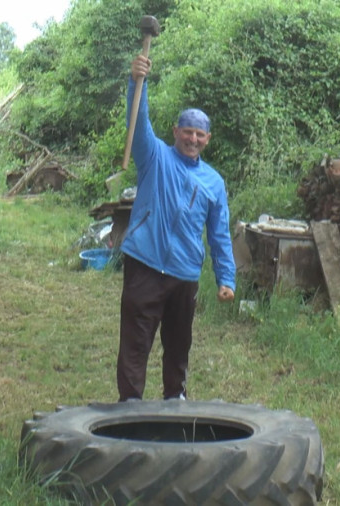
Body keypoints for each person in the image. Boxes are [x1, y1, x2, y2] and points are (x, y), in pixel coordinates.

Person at [117, 53, 236, 402]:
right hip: (145, 265)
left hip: (185, 274)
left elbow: (219, 234)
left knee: (178, 344)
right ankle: (130, 406)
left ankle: (175, 403)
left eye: (200, 134)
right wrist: (137, 81)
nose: (193, 139)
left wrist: (226, 277)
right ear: (175, 132)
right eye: (188, 132)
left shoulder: (214, 182)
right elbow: (138, 121)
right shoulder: (154, 156)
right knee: (136, 343)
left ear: (208, 139)